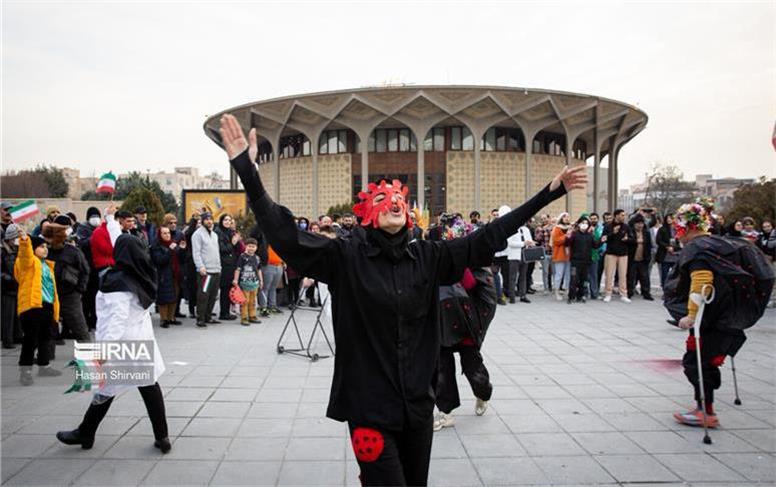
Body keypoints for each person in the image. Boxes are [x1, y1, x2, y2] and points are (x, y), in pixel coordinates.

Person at [219, 114, 585, 485]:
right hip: (368, 408)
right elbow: (285, 236)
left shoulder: (429, 257)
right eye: (382, 197)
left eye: (398, 197)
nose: (393, 201)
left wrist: (549, 193)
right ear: (367, 214)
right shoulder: (345, 258)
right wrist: (247, 172)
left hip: (416, 407)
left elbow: (487, 238)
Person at [56, 225, 170, 454]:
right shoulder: (142, 274)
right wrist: (111, 220)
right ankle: (162, 436)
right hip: (140, 342)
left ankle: (85, 432)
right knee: (147, 387)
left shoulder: (116, 282)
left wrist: (105, 351)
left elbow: (115, 320)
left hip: (120, 345)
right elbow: (124, 242)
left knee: (105, 387)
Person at [434, 224, 497, 431]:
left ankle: (482, 394)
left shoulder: (472, 263)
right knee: (442, 370)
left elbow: (479, 290)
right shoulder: (430, 260)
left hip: (466, 324)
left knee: (474, 368)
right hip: (441, 323)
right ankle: (446, 412)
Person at [15, 228, 63, 385]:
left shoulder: (47, 265)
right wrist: (24, 240)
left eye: (46, 246)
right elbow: (25, 255)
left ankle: (44, 365)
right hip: (32, 305)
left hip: (47, 306)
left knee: (45, 338)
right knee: (30, 339)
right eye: (41, 246)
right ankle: (25, 370)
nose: (45, 249)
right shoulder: (28, 262)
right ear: (33, 248)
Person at [44, 215, 92, 342]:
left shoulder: (73, 252)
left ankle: (89, 355)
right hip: (49, 295)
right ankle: (46, 355)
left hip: (70, 295)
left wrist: (79, 290)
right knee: (47, 328)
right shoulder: (44, 251)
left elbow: (85, 271)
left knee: (79, 327)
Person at [191, 212, 221, 327]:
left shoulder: (214, 234)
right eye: (207, 219)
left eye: (211, 219)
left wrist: (219, 267)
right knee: (203, 295)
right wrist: (200, 266)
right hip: (206, 271)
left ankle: (208, 317)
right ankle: (200, 318)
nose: (209, 221)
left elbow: (216, 252)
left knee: (213, 295)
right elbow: (196, 252)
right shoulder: (197, 234)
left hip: (216, 270)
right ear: (203, 221)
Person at [151, 227, 182, 328]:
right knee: (163, 298)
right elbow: (160, 260)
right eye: (164, 233)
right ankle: (163, 319)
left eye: (168, 233)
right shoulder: (156, 246)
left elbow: (181, 259)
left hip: (175, 274)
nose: (167, 235)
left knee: (174, 296)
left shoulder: (173, 244)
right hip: (163, 275)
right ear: (160, 235)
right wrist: (169, 250)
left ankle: (171, 317)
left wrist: (182, 249)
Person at [565, 216, 599, 303]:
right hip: (575, 262)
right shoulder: (574, 234)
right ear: (579, 224)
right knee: (574, 279)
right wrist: (568, 236)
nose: (585, 225)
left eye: (586, 223)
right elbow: (567, 243)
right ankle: (571, 296)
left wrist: (601, 240)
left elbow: (595, 245)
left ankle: (581, 295)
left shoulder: (590, 235)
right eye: (583, 223)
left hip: (586, 262)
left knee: (584, 280)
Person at [602, 209, 631, 303]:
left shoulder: (626, 226)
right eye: (622, 215)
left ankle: (623, 294)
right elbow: (604, 239)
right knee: (609, 275)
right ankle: (608, 294)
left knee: (623, 275)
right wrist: (613, 233)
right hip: (611, 253)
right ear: (616, 216)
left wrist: (627, 239)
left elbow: (632, 239)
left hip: (623, 254)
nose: (624, 217)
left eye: (624, 215)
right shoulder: (608, 226)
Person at [214, 214, 239, 321]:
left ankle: (226, 311)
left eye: (229, 220)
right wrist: (233, 243)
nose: (228, 222)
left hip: (230, 264)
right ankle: (223, 313)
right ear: (221, 221)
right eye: (225, 220)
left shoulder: (229, 232)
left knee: (228, 289)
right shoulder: (218, 232)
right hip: (223, 265)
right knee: (225, 290)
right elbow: (222, 249)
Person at [233, 237, 263, 325]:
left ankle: (252, 316)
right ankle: (244, 317)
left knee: (253, 301)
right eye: (249, 246)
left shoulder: (257, 258)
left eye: (253, 246)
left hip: (255, 283)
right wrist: (235, 280)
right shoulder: (242, 257)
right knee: (244, 301)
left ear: (256, 247)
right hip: (244, 283)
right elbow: (238, 269)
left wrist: (261, 281)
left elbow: (259, 270)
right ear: (246, 246)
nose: (251, 248)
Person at [1, 224, 22, 349]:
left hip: (17, 286)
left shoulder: (18, 250)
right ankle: (7, 340)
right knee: (7, 316)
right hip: (7, 288)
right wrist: (6, 278)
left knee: (17, 314)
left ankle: (18, 336)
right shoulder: (2, 251)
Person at [626, 214, 653, 300]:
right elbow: (627, 242)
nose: (640, 225)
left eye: (641, 223)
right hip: (632, 258)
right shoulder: (630, 232)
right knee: (631, 276)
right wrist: (636, 241)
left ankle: (646, 293)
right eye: (638, 223)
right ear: (634, 224)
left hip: (643, 258)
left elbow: (649, 246)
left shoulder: (646, 233)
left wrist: (648, 257)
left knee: (645, 277)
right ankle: (629, 292)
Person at [656, 213, 680, 288]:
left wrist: (674, 248)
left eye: (671, 218)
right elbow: (658, 240)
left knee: (676, 274)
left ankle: (674, 288)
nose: (669, 219)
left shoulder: (678, 229)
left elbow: (681, 242)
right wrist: (667, 247)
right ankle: (665, 288)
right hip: (665, 254)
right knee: (664, 273)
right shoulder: (662, 229)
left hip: (676, 254)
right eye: (667, 218)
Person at [551, 212, 571, 300]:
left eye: (568, 217)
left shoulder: (571, 228)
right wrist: (566, 236)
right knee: (558, 274)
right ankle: (556, 292)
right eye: (565, 217)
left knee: (568, 274)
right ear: (561, 218)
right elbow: (556, 241)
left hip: (569, 254)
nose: (567, 218)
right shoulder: (557, 228)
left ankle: (567, 290)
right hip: (560, 254)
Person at [259, 244, 284, 315]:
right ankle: (263, 307)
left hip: (279, 265)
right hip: (268, 265)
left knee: (273, 287)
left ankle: (272, 306)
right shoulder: (265, 242)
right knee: (265, 287)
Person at [756, 220, 776, 308]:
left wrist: (772, 256)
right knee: (769, 281)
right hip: (765, 261)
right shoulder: (761, 237)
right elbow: (758, 249)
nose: (767, 228)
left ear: (772, 226)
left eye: (768, 226)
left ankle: (773, 300)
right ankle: (769, 299)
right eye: (764, 227)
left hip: (774, 261)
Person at [534, 214, 553, 294]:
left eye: (545, 218)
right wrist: (541, 231)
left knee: (553, 271)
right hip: (544, 252)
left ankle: (553, 287)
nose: (543, 220)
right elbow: (537, 239)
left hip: (553, 252)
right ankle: (546, 288)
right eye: (542, 219)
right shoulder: (539, 228)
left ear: (548, 218)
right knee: (545, 271)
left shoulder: (553, 227)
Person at [588, 213, 604, 299]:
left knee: (594, 275)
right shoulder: (586, 228)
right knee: (586, 276)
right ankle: (585, 293)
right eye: (592, 219)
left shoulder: (601, 228)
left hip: (595, 255)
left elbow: (599, 242)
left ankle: (594, 294)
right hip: (586, 255)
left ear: (598, 219)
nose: (593, 220)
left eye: (595, 218)